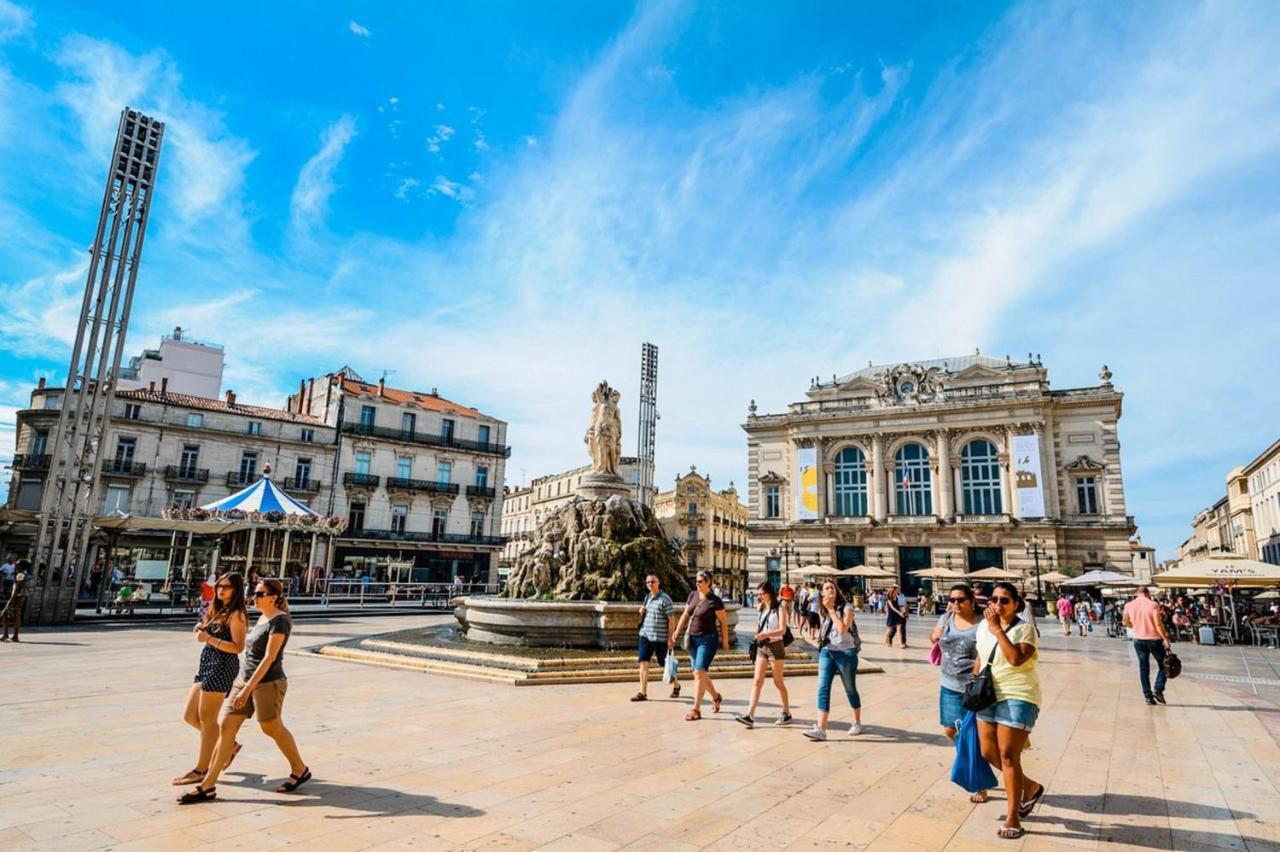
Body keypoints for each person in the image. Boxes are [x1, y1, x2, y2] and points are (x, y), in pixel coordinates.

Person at [180, 578, 310, 804]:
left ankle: (300, 768)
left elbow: (269, 658)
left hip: (268, 683)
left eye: (260, 594)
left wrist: (247, 689)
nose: (255, 597)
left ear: (274, 597)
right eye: (254, 593)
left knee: (272, 727)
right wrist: (243, 685)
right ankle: (208, 786)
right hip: (245, 681)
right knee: (226, 729)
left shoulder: (280, 621)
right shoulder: (262, 617)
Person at [974, 582, 1045, 840]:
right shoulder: (982, 627)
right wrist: (972, 691)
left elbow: (1016, 659)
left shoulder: (1026, 629)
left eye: (1005, 600)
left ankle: (1013, 816)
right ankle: (1031, 787)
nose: (998, 604)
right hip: (988, 695)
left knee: (1007, 755)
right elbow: (981, 658)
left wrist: (997, 629)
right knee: (988, 751)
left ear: (1017, 603)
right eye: (994, 599)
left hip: (1018, 695)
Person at [173, 572, 248, 788]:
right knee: (190, 715)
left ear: (236, 590)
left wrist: (209, 639)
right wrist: (201, 629)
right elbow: (206, 630)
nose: (221, 590)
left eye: (226, 587)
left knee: (208, 719)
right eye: (219, 586)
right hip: (206, 664)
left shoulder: (237, 614)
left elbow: (237, 647)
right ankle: (229, 745)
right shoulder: (218, 609)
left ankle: (201, 769)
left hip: (222, 666)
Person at [804, 580, 863, 741]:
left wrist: (831, 609)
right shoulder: (822, 610)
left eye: (832, 587)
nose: (829, 590)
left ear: (836, 591)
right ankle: (821, 729)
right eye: (826, 588)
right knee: (822, 688)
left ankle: (857, 721)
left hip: (846, 653)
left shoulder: (847, 608)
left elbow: (843, 629)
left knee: (850, 689)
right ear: (822, 593)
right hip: (827, 652)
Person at [671, 570, 728, 722]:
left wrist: (725, 640)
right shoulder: (693, 595)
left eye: (700, 581)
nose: (697, 583)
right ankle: (716, 697)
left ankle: (696, 709)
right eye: (696, 581)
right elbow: (685, 614)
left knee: (699, 672)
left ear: (708, 582)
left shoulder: (715, 601)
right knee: (700, 673)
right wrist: (677, 631)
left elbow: (723, 622)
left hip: (708, 640)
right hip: (693, 640)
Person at [735, 580, 791, 728]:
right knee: (757, 681)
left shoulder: (780, 607)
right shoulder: (761, 607)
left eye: (761, 594)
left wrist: (766, 634)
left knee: (777, 681)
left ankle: (786, 712)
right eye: (758, 594)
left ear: (769, 593)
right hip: (762, 648)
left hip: (776, 647)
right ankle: (750, 715)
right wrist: (759, 635)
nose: (759, 597)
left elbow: (782, 630)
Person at [1123, 585, 1172, 705]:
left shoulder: (1129, 605)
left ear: (1136, 593)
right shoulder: (1153, 604)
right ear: (1147, 593)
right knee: (1163, 664)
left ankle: (1148, 696)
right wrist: (1165, 638)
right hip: (1154, 638)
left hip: (1138, 639)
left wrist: (1135, 626)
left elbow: (1125, 622)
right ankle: (1158, 689)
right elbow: (1158, 624)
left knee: (1143, 667)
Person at [632, 574, 677, 702]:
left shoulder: (665, 599)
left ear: (658, 582)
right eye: (648, 582)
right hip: (645, 635)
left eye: (653, 581)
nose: (650, 584)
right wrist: (642, 611)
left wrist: (670, 638)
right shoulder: (647, 598)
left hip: (660, 638)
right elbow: (647, 613)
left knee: (665, 664)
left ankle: (676, 685)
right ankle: (643, 692)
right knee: (643, 663)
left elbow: (671, 619)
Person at [1, 570, 29, 642]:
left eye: (18, 565)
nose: (16, 567)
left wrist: (11, 599)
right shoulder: (24, 574)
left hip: (16, 598)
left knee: (5, 614)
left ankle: (9, 635)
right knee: (16, 614)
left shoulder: (20, 574)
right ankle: (12, 636)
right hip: (20, 597)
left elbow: (17, 586)